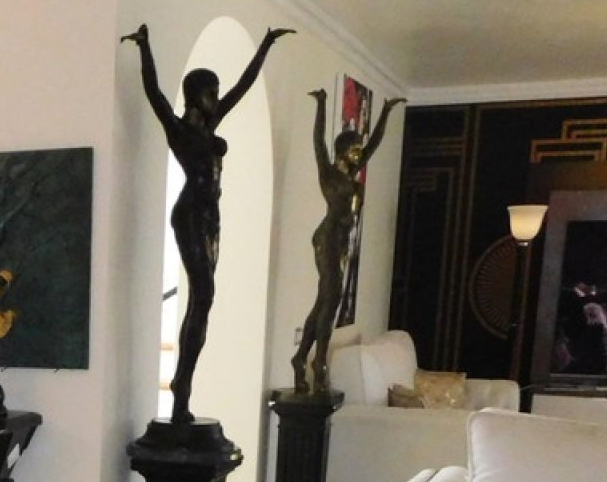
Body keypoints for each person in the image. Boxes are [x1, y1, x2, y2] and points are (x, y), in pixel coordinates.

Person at [123, 22, 293, 424]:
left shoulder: (211, 125)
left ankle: (183, 385)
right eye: (211, 93)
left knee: (203, 301)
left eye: (216, 93)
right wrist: (145, 47)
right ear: (195, 96)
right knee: (203, 294)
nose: (217, 99)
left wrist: (265, 45)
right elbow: (154, 93)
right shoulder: (179, 130)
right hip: (189, 214)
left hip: (211, 216)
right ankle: (181, 386)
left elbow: (242, 87)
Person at [292, 88, 403, 394]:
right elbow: (318, 141)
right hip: (327, 239)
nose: (358, 154)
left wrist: (385, 112)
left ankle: (302, 358)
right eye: (354, 149)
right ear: (342, 150)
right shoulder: (329, 174)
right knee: (331, 301)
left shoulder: (353, 172)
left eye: (358, 149)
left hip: (341, 241)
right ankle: (318, 363)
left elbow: (374, 143)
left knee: (325, 301)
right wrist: (322, 104)